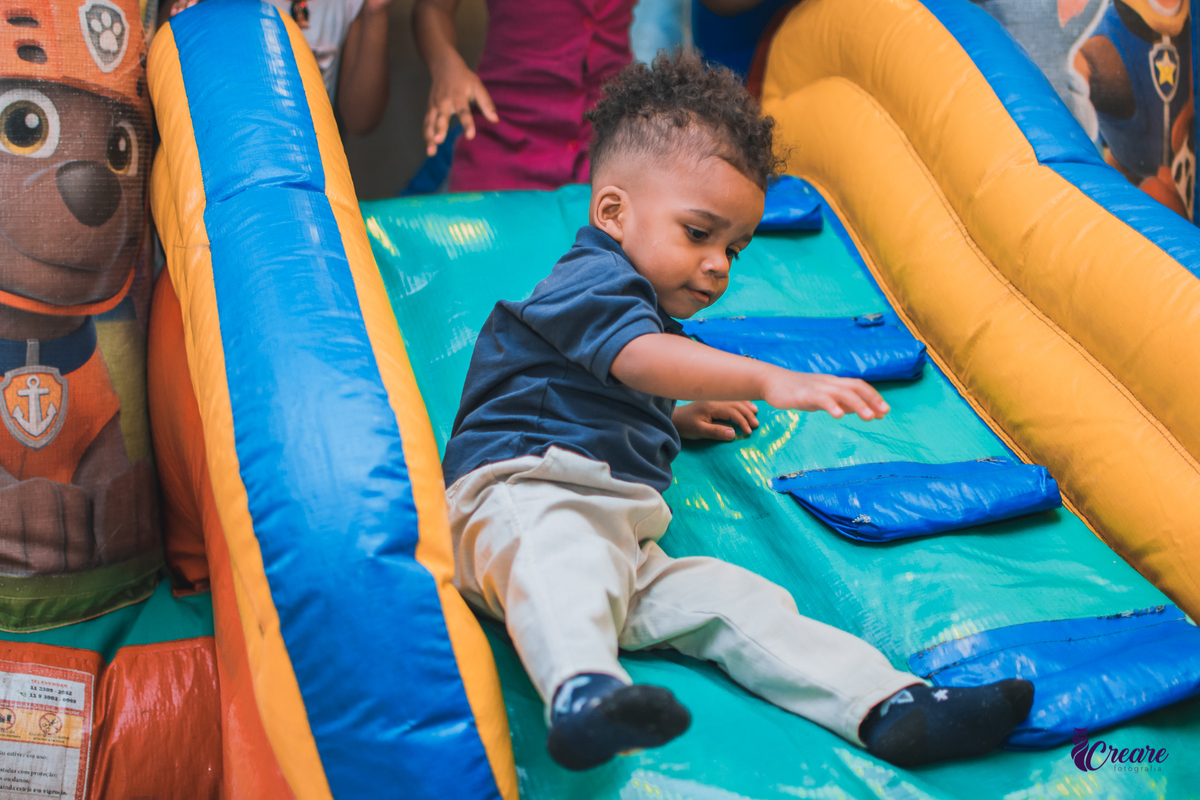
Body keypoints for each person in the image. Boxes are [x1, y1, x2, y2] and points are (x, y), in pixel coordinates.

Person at [440, 51, 1035, 771]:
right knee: (563, 559)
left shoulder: (643, 307)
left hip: (621, 544)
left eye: (735, 247)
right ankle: (582, 693)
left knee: (737, 601)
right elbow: (633, 358)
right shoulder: (592, 275)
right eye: (698, 233)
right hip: (524, 502)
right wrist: (768, 379)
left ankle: (888, 706)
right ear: (612, 212)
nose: (720, 263)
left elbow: (622, 379)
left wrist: (673, 419)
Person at [162, 0, 390, 135]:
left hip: (308, 161)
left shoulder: (346, 5)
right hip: (232, 152)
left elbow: (361, 121)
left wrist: (376, 12)